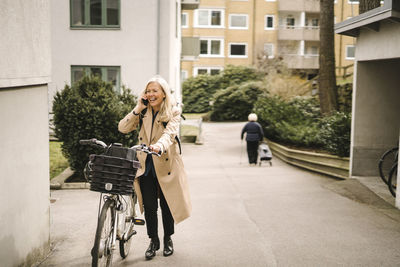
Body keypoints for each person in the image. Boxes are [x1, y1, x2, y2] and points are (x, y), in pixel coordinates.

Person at [118, 75, 191, 260]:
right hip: (146, 166)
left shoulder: (173, 112)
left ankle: (167, 239)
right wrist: (137, 108)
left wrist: (159, 145)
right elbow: (122, 128)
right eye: (148, 91)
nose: (151, 94)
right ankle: (153, 240)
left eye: (154, 91)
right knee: (149, 207)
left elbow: (170, 134)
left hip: (166, 164)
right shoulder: (143, 111)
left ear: (164, 94)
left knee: (167, 206)